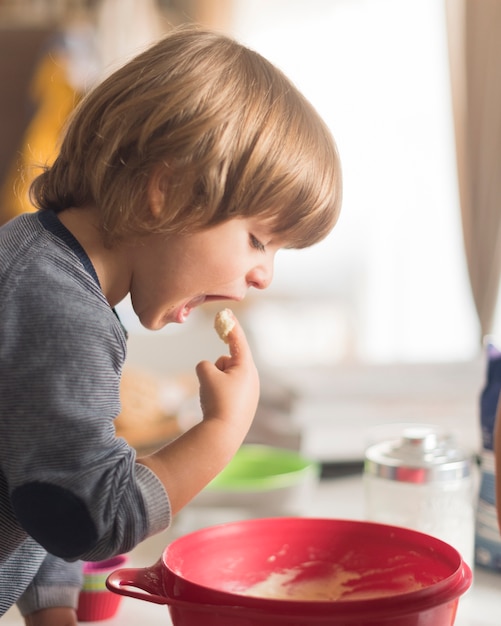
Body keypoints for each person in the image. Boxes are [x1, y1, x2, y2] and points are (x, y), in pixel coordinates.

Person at [0, 26, 342, 625]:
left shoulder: (40, 266)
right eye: (258, 239)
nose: (263, 276)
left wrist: (52, 610)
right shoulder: (60, 311)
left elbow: (36, 475)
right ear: (168, 190)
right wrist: (222, 430)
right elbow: (86, 514)